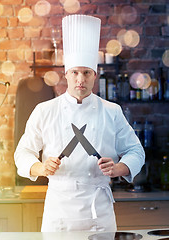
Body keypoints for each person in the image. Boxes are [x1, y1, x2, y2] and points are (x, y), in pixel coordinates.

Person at [14, 14, 145, 232]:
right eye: (75, 72)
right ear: (66, 74)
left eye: (86, 73)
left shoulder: (112, 112)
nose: (80, 79)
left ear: (95, 75)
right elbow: (22, 154)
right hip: (59, 215)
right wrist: (41, 167)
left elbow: (136, 152)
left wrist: (117, 169)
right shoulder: (45, 111)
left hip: (99, 215)